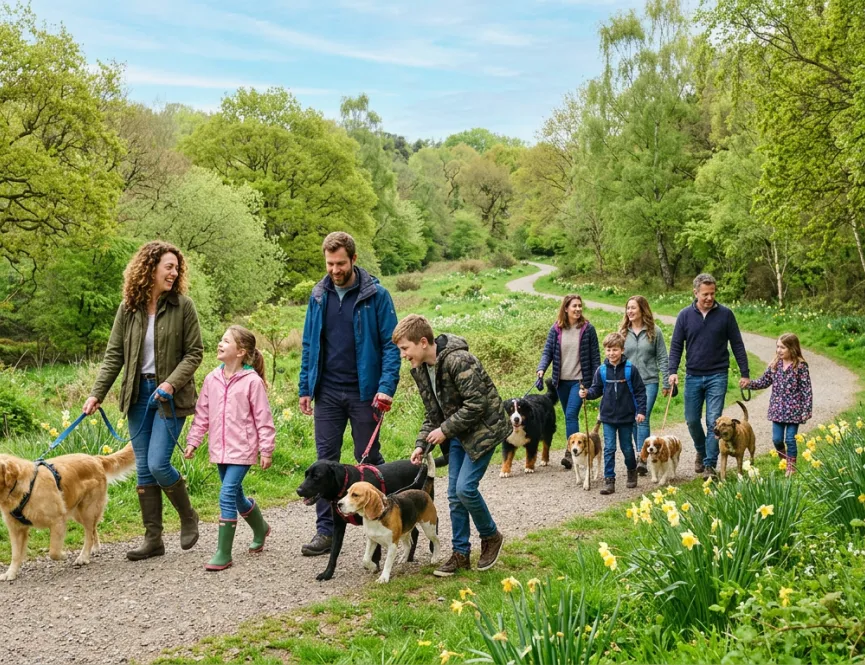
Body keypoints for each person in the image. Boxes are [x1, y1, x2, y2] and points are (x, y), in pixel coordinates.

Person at [84, 241, 203, 561]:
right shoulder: (128, 308)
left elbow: (194, 353)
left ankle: (188, 515)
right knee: (144, 470)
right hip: (137, 395)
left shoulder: (183, 306)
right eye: (168, 267)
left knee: (158, 463)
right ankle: (153, 540)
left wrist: (170, 383)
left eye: (177, 268)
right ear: (149, 269)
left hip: (170, 397)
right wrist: (96, 393)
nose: (174, 273)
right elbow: (114, 356)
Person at [298, 232, 401, 557]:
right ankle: (326, 531)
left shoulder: (376, 296)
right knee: (323, 465)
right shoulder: (318, 295)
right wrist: (305, 387)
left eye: (340, 263)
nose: (334, 270)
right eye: (329, 263)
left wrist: (386, 387)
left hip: (365, 393)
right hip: (327, 393)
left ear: (354, 259)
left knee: (368, 461)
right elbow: (308, 344)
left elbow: (391, 345)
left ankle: (383, 523)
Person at [394, 314, 509, 577]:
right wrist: (421, 444)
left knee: (465, 489)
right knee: (454, 496)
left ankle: (491, 536)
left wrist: (444, 430)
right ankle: (460, 554)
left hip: (484, 430)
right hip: (457, 433)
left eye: (405, 348)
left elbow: (477, 404)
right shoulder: (421, 369)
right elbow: (432, 414)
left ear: (423, 342)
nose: (403, 355)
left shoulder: (459, 360)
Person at [184, 326, 276, 570]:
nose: (220, 344)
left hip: (243, 450)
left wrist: (266, 449)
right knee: (236, 497)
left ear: (240, 351)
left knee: (226, 495)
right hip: (219, 450)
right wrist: (193, 441)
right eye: (221, 340)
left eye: (226, 341)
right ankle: (260, 528)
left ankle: (223, 553)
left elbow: (263, 418)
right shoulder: (211, 379)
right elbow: (202, 415)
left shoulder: (252, 382)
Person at [667, 273, 750, 479]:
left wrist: (745, 373)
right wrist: (672, 371)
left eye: (712, 293)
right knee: (691, 420)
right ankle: (702, 450)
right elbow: (676, 345)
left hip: (717, 375)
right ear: (695, 293)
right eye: (705, 294)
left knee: (714, 421)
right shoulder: (685, 315)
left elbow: (737, 344)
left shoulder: (726, 315)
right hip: (693, 375)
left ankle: (710, 465)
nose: (709, 297)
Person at [537, 294, 600, 469]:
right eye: (574, 306)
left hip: (579, 381)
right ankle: (577, 448)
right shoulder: (556, 329)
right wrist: (541, 369)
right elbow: (547, 352)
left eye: (580, 306)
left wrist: (596, 380)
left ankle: (570, 453)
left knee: (571, 414)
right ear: (566, 308)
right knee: (568, 416)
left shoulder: (588, 329)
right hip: (561, 382)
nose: (578, 309)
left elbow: (595, 357)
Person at [580, 332, 647, 495]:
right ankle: (609, 480)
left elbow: (640, 391)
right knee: (609, 448)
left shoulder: (630, 370)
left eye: (615, 350)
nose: (611, 353)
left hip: (626, 417)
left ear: (622, 350)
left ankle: (631, 470)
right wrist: (587, 393)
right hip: (608, 417)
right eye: (608, 350)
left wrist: (641, 411)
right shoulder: (602, 370)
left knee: (627, 448)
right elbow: (596, 389)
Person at [743, 333, 812, 476]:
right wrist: (749, 384)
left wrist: (806, 409)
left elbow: (806, 390)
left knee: (790, 439)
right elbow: (763, 382)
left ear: (792, 348)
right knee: (777, 439)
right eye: (778, 347)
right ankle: (785, 461)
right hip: (777, 409)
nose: (779, 350)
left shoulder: (800, 366)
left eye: (783, 347)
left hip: (794, 411)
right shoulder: (775, 365)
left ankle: (791, 468)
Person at [620, 295, 670, 475]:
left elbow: (662, 357)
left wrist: (666, 381)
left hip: (649, 381)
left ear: (642, 310)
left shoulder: (654, 331)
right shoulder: (623, 332)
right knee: (634, 420)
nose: (630, 311)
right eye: (628, 308)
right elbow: (616, 357)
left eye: (633, 308)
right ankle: (640, 453)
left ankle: (642, 459)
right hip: (628, 383)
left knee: (642, 417)